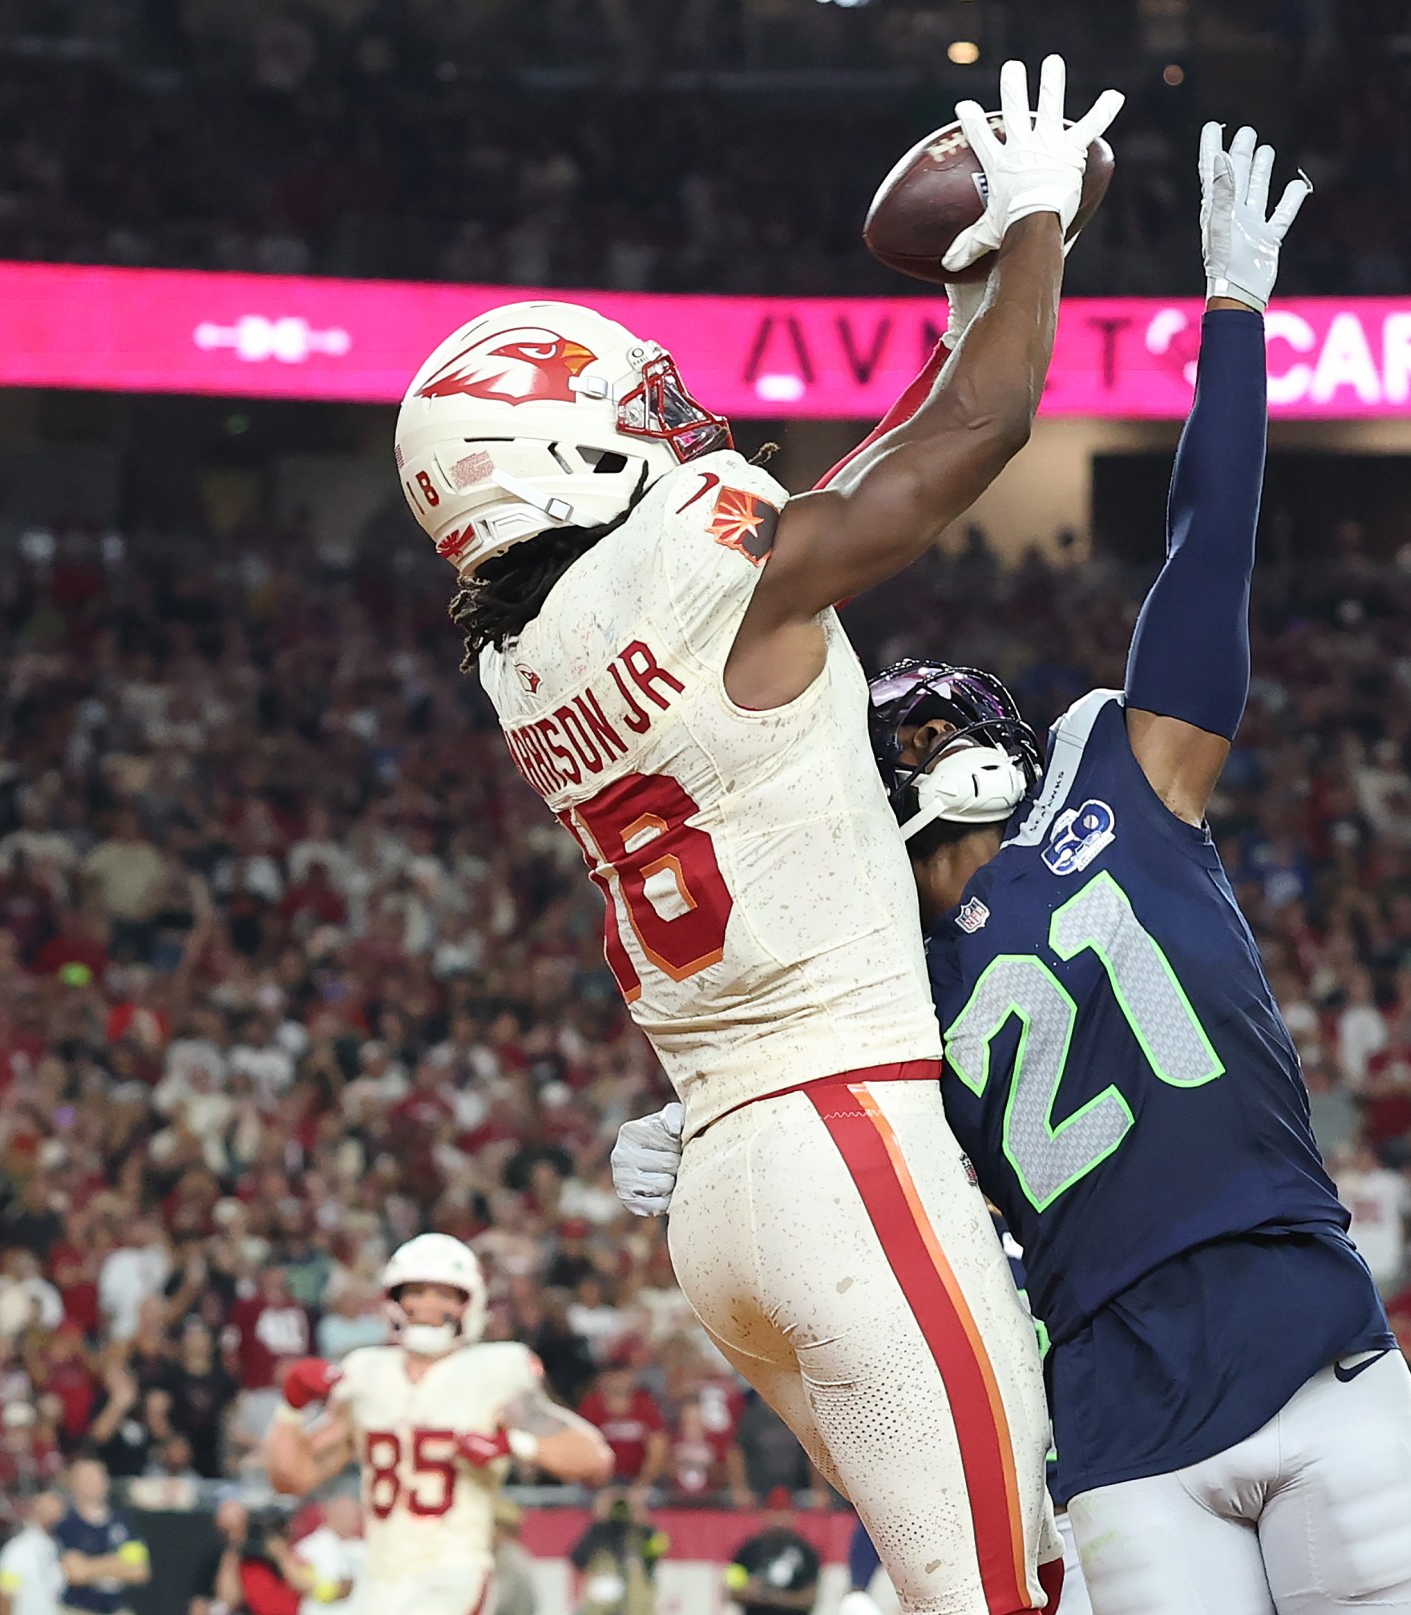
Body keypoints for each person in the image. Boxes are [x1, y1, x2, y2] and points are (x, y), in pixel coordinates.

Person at [614, 124, 1411, 1615]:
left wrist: (1234, 313)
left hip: (1211, 1369)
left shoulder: (970, 907)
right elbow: (1208, 549)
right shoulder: (1031, 867)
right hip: (1206, 1370)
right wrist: (701, 1127)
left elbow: (1211, 550)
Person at [396, 54, 1119, 1615]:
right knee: (1018, 1594)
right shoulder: (680, 553)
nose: (673, 418)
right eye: (630, 408)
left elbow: (883, 463)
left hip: (719, 1182)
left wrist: (968, 288)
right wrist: (1037, 231)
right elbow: (965, 441)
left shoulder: (521, 654)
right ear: (572, 457)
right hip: (843, 1143)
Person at [264, 1234, 615, 1615]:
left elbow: (595, 1460)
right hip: (381, 1577)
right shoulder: (365, 1374)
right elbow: (292, 1478)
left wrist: (513, 1443)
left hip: (455, 1574)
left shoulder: (497, 1370)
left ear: (471, 1302)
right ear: (393, 1299)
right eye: (415, 1291)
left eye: (444, 1293)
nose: (427, 1305)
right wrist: (290, 1408)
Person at [53, 1457, 149, 1615]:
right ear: (74, 1484)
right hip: (77, 1609)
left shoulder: (123, 1523)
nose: (94, 1483)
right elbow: (75, 1573)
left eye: (98, 1477)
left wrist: (90, 1566)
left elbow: (139, 1569)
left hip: (117, 1609)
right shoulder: (66, 1525)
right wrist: (118, 1562)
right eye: (87, 1478)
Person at [724, 1492, 822, 1615]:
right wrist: (751, 1591)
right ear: (765, 1515)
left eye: (783, 1512)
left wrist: (776, 1597)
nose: (778, 1520)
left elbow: (810, 1598)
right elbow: (732, 1589)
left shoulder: (807, 1552)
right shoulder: (747, 1549)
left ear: (793, 1515)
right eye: (775, 1512)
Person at [0, 1490, 68, 1615]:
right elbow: (4, 1595)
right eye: (47, 1507)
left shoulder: (54, 1546)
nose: (54, 1513)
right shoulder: (19, 1549)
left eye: (57, 1508)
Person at [294, 1494, 366, 1615]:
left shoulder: (363, 1548)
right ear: (329, 1514)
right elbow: (310, 1587)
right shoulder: (309, 1548)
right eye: (343, 1514)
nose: (350, 1519)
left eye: (354, 1514)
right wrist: (341, 1588)